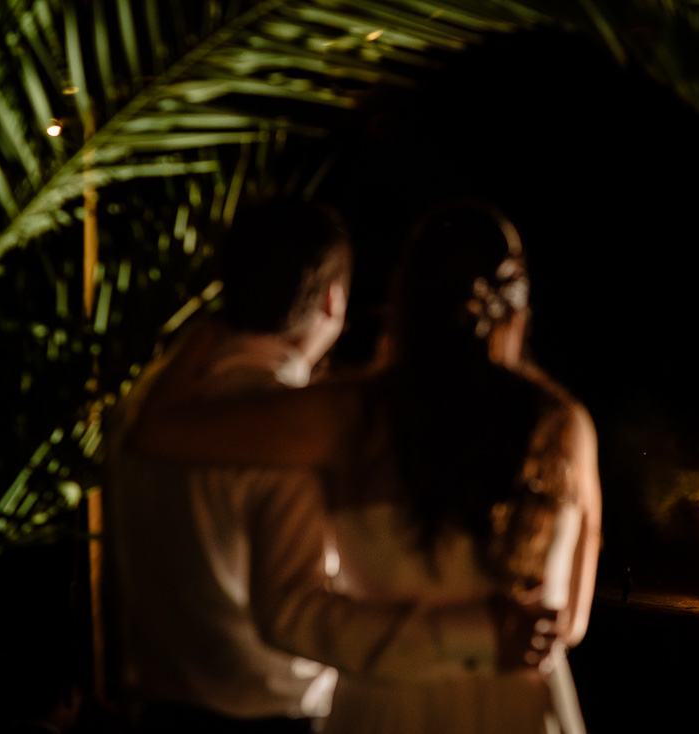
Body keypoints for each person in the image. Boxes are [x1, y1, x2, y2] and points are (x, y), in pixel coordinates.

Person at [131, 200, 602, 733]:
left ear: (404, 298)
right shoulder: (565, 427)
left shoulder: (348, 415)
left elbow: (158, 431)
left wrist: (218, 321)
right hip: (521, 709)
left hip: (383, 709)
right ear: (517, 304)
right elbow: (570, 622)